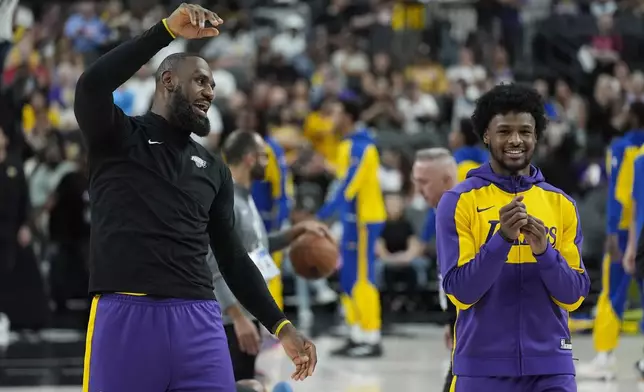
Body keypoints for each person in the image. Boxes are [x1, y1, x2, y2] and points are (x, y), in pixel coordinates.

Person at [74, 4, 316, 392]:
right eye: (201, 82)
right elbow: (92, 85)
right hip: (128, 314)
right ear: (167, 81)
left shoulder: (213, 168)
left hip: (200, 319)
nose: (209, 92)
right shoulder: (118, 137)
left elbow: (234, 259)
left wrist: (281, 325)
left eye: (213, 86)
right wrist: (167, 30)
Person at [436, 83, 590, 391]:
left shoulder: (561, 204)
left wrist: (545, 252)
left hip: (552, 369)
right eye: (504, 131)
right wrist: (501, 240)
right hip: (481, 369)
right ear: (486, 135)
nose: (516, 140)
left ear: (536, 136)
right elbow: (460, 293)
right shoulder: (458, 202)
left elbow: (574, 296)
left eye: (525, 131)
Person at [208, 130, 329, 381]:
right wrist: (237, 318)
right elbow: (214, 261)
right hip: (230, 320)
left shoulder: (244, 197)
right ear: (250, 158)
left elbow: (255, 247)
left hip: (248, 312)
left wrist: (297, 231)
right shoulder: (227, 200)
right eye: (265, 156)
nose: (269, 162)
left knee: (246, 380)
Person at [578, 102, 644, 380]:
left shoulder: (622, 147)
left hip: (627, 231)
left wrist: (613, 234)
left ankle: (605, 357)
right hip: (640, 226)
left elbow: (621, 195)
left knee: (611, 294)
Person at [317, 99, 386, 358]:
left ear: (347, 115)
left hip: (363, 220)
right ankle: (356, 333)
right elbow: (340, 181)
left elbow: (348, 185)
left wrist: (324, 214)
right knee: (347, 279)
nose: (330, 117)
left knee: (362, 279)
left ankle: (372, 336)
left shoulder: (362, 146)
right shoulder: (347, 144)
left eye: (335, 111)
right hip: (350, 219)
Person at [411, 147, 458, 392]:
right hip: (462, 328)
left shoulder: (467, 215)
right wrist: (450, 322)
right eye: (416, 182)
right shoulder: (441, 212)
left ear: (447, 180)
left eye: (424, 182)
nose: (418, 190)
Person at [251, 133, 293, 311]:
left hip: (266, 221)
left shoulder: (272, 147)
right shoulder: (234, 144)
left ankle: (274, 328)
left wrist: (278, 220)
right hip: (242, 218)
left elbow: (282, 193)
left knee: (269, 274)